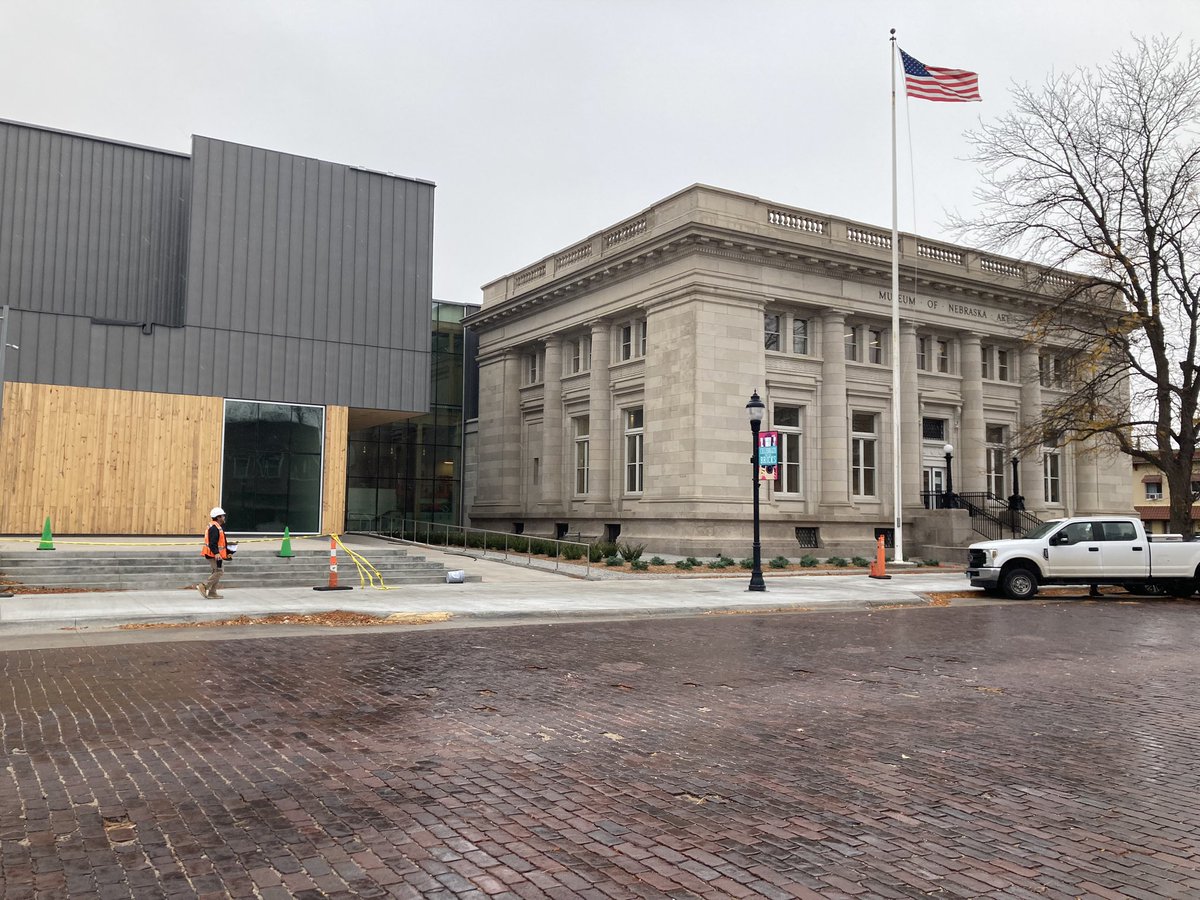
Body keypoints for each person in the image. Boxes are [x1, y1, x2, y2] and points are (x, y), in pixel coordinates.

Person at [200, 507, 230, 599]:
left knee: (217, 571)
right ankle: (204, 586)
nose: (224, 517)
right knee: (219, 571)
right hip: (213, 554)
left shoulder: (217, 527)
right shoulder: (214, 528)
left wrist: (228, 552)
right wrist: (217, 553)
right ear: (218, 517)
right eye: (223, 516)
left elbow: (221, 543)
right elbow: (213, 543)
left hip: (215, 554)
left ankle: (212, 592)